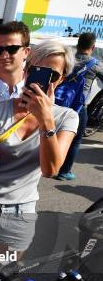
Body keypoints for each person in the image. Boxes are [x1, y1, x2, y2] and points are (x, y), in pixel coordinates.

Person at [0, 40, 79, 257]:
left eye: (51, 75)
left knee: (4, 278)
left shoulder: (67, 118)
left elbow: (51, 170)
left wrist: (46, 121)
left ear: (62, 79)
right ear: (26, 71)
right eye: (35, 71)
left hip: (21, 211)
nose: (41, 80)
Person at [56, 32, 102, 180]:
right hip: (78, 107)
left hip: (57, 102)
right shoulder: (94, 64)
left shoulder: (67, 59)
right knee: (75, 139)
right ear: (93, 47)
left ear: (78, 44)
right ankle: (64, 171)